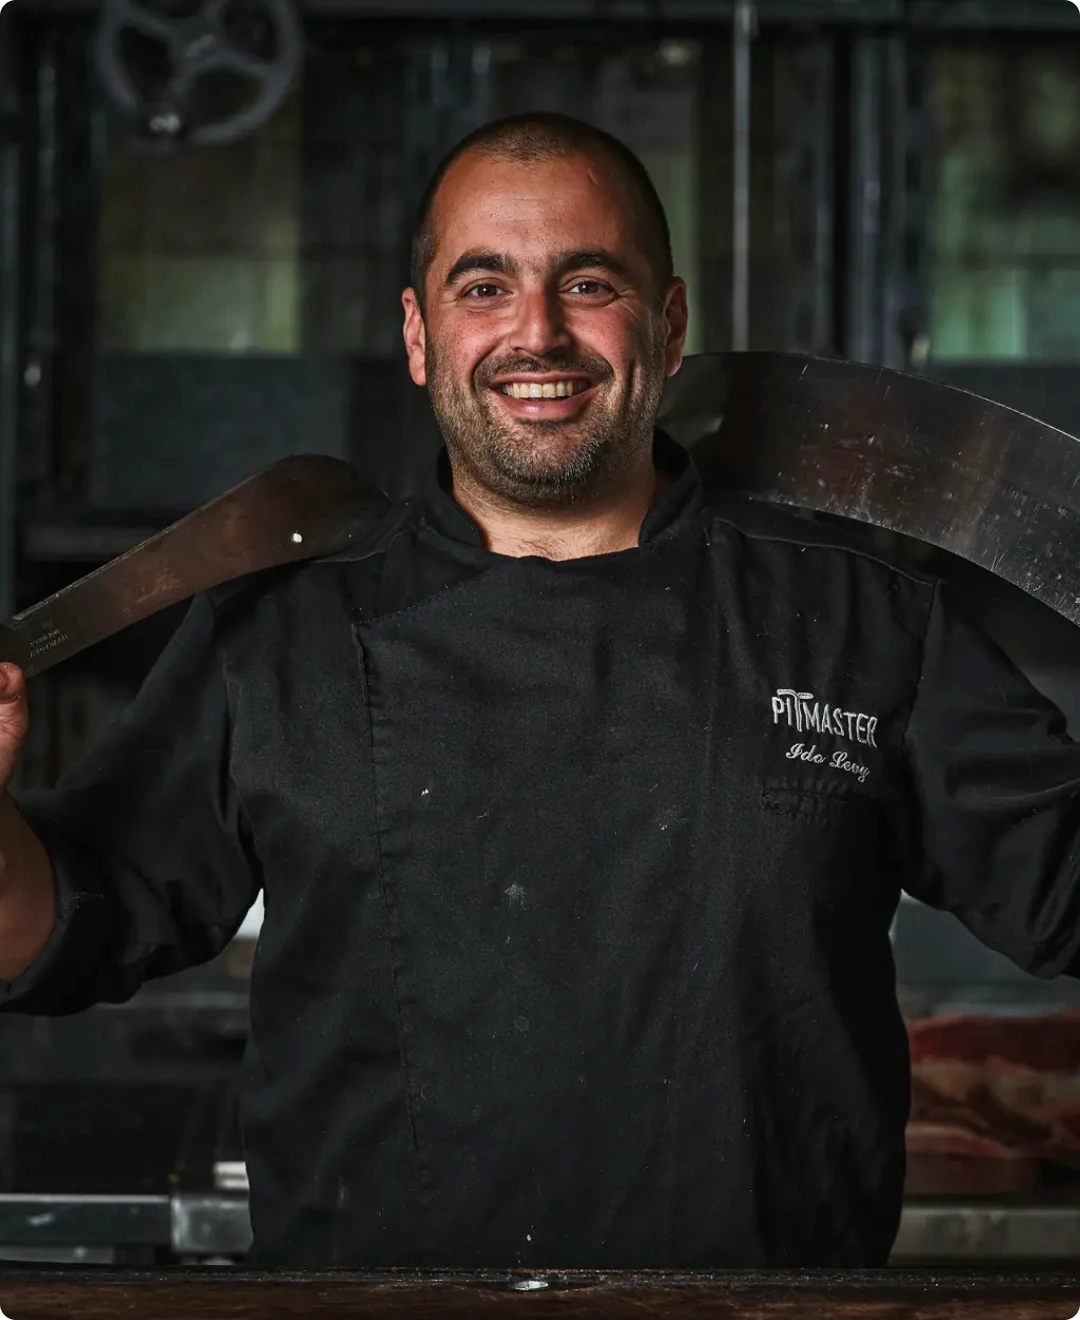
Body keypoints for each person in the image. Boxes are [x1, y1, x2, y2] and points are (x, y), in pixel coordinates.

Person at [1, 111, 1079, 1271]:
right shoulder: (276, 629)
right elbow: (69, 921)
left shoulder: (862, 620)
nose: (538, 333)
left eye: (588, 283)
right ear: (418, 335)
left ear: (668, 325)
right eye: (484, 288)